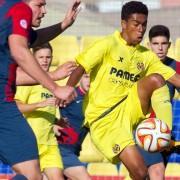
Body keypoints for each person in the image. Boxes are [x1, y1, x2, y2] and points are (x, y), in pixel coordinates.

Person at [63, 1, 180, 180]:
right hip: (105, 120)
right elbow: (81, 67)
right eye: (136, 24)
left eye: (144, 25)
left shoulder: (146, 55)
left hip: (129, 111)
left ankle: (162, 134)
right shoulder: (107, 45)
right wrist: (68, 88)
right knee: (140, 173)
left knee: (157, 79)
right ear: (124, 24)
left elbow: (173, 78)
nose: (141, 29)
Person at [0, 0, 80, 179]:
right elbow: (20, 50)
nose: (44, 11)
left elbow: (33, 39)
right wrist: (54, 87)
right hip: (3, 107)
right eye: (39, 5)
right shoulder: (20, 8)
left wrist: (63, 25)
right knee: (31, 176)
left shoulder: (5, 11)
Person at [15, 43, 71, 180]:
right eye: (41, 57)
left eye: (48, 57)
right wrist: (39, 104)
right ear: (33, 59)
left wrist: (58, 121)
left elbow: (49, 112)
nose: (45, 60)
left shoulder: (52, 84)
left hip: (49, 144)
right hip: (30, 143)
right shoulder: (28, 80)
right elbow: (17, 106)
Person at [54, 73, 91, 180]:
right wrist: (55, 123)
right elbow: (48, 112)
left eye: (93, 77)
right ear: (79, 78)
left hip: (74, 151)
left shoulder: (96, 101)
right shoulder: (70, 95)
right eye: (86, 77)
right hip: (62, 149)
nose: (89, 81)